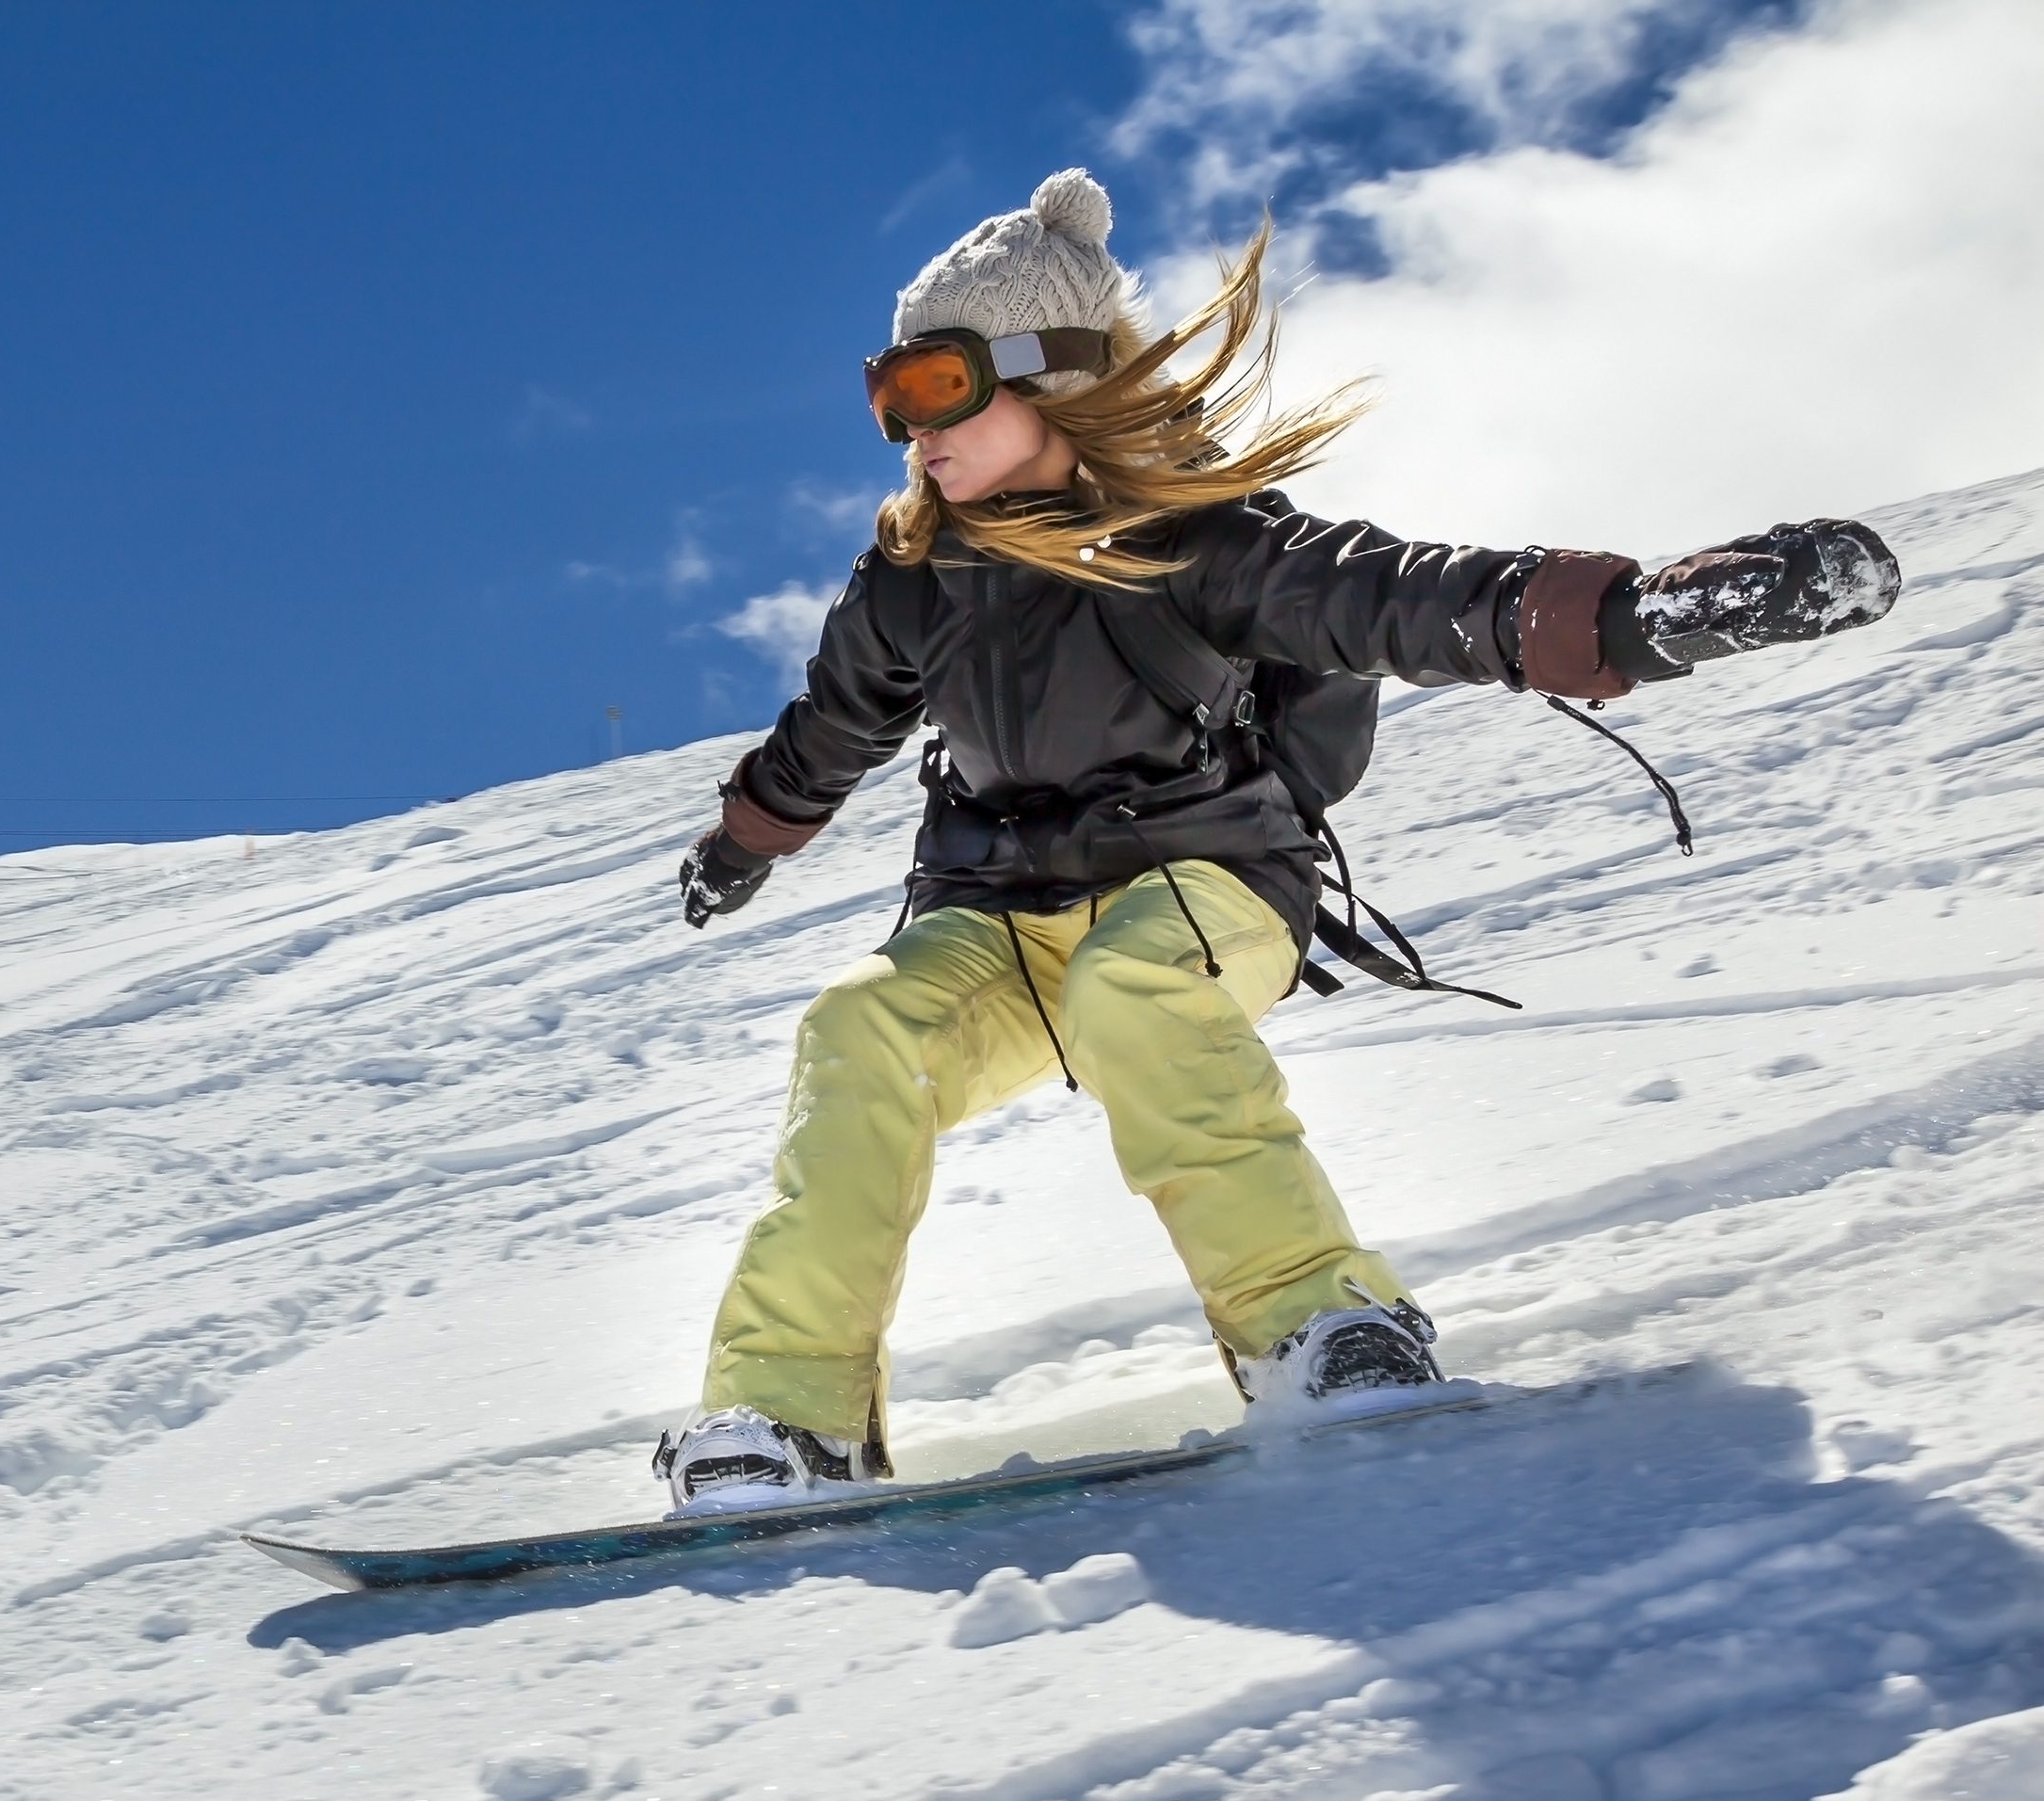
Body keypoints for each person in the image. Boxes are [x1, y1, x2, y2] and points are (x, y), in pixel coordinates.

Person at [653, 167, 1899, 1513]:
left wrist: (1634, 617)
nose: (909, 431)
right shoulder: (912, 579)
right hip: (997, 910)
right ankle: (786, 1413)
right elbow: (831, 727)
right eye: (887, 397)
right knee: (858, 1033)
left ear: (1051, 376)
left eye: (938, 388)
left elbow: (1398, 596)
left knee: (1137, 997)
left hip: (1208, 876)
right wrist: (745, 841)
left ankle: (1321, 1326)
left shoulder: (1199, 543)